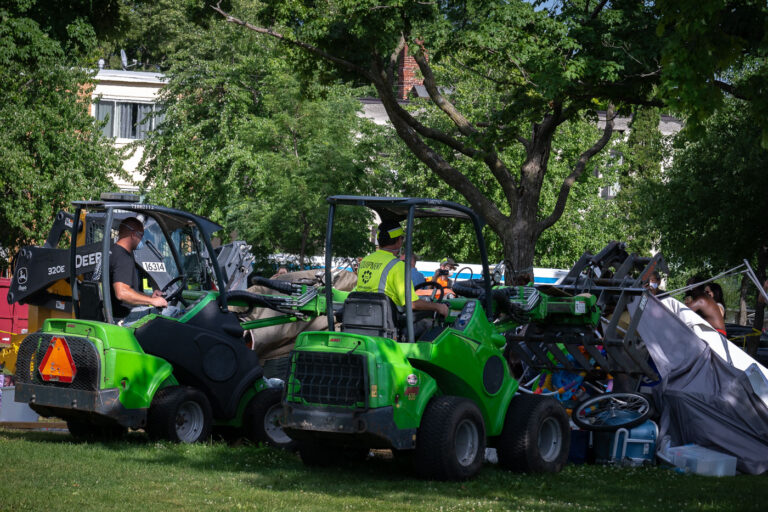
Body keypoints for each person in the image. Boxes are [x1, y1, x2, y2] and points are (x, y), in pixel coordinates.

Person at [355, 221, 448, 320]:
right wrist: (439, 307)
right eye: (402, 238)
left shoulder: (365, 261)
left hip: (360, 318)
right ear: (399, 241)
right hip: (385, 322)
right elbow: (411, 303)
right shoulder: (398, 266)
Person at [110, 217, 167, 320]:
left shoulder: (113, 251)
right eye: (141, 235)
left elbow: (130, 290)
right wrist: (152, 301)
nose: (142, 240)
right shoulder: (122, 257)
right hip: (122, 318)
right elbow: (122, 293)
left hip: (117, 313)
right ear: (133, 235)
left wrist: (150, 297)